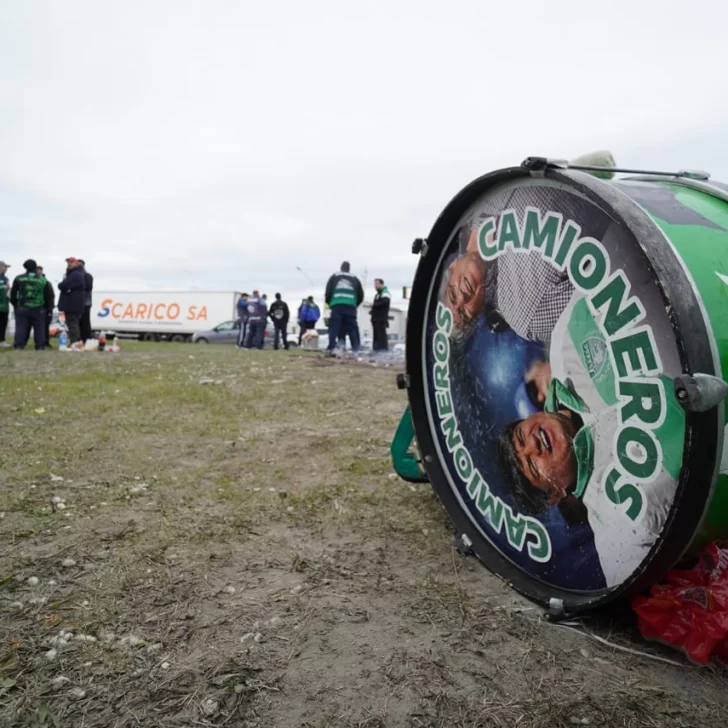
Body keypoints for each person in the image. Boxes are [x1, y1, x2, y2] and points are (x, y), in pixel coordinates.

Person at [497, 293, 683, 587]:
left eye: (522, 436)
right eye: (532, 464)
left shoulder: (564, 345)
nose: (534, 445)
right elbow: (629, 594)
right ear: (555, 495)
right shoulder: (616, 526)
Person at [325, 261, 364, 354]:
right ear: (349, 268)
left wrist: (330, 302)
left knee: (334, 327)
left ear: (341, 267)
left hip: (336, 305)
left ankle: (331, 347)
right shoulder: (355, 278)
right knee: (352, 328)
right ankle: (355, 348)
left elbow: (328, 292)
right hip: (350, 306)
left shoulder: (334, 276)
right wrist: (355, 304)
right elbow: (361, 295)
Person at [9, 259, 47, 351]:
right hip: (38, 306)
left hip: (22, 306)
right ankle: (40, 346)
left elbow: (13, 293)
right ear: (35, 267)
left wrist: (15, 305)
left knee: (21, 327)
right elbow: (47, 294)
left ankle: (19, 345)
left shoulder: (19, 278)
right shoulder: (42, 280)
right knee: (39, 327)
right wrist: (45, 306)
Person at [22, 266, 55, 349]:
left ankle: (45, 342)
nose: (38, 272)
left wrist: (49, 308)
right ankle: (23, 342)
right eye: (37, 270)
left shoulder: (46, 282)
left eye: (40, 270)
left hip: (43, 308)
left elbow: (50, 296)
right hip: (30, 307)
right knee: (27, 326)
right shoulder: (29, 282)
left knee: (44, 327)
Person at [58, 257, 86, 344]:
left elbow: (63, 285)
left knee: (72, 324)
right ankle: (76, 342)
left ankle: (75, 342)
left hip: (72, 305)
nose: (69, 264)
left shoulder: (76, 274)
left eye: (71, 262)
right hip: (74, 305)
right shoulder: (74, 274)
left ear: (76, 263)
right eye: (68, 263)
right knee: (73, 324)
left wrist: (63, 286)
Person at [370, 278, 391, 352]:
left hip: (381, 318)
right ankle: (376, 349)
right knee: (376, 336)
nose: (375, 286)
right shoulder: (377, 294)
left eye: (377, 284)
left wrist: (374, 305)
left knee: (381, 336)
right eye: (375, 284)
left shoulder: (385, 293)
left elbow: (385, 302)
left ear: (382, 284)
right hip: (375, 318)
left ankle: (382, 351)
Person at [78, 259, 94, 342]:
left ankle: (86, 338)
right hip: (80, 302)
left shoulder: (87, 276)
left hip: (86, 303)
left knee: (85, 322)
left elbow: (88, 288)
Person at [0, 260, 10, 347]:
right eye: (5, 267)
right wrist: (3, 287)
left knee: (3, 324)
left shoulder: (6, 278)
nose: (6, 269)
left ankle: (2, 341)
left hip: (5, 305)